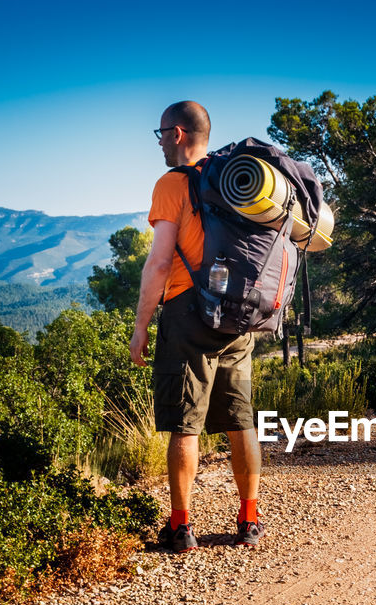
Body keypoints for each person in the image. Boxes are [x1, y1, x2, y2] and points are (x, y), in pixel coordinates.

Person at [129, 100, 264, 551]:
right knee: (239, 420)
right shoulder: (235, 181)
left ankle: (181, 526)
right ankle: (249, 520)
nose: (161, 142)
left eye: (161, 133)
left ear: (179, 134)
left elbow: (160, 261)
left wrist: (141, 324)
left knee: (185, 424)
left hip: (189, 311)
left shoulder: (173, 183)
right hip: (237, 314)